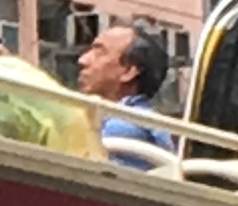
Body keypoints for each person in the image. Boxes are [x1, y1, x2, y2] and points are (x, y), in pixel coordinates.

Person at [76, 17, 179, 168]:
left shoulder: (123, 128)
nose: (82, 60)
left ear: (129, 71)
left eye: (99, 52)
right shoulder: (140, 120)